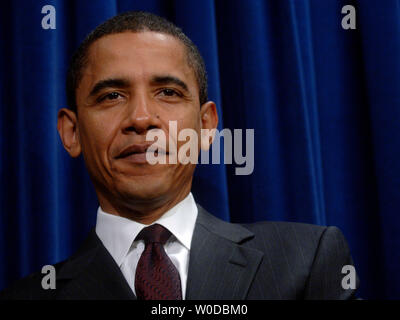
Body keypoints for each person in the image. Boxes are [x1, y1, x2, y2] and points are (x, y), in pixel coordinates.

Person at [0, 11, 359, 300]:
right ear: (72, 132)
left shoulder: (307, 260)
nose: (141, 119)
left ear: (206, 127)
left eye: (168, 92)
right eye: (112, 96)